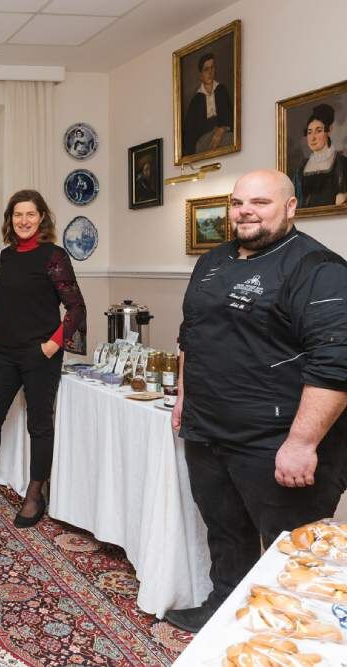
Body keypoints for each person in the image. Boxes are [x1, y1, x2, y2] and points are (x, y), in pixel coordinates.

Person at [165, 169, 347, 632]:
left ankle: (292, 635)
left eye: (260, 202)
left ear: (290, 207)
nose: (245, 211)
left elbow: (336, 363)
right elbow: (190, 336)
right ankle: (225, 611)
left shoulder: (319, 269)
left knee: (294, 549)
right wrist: (185, 397)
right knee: (225, 531)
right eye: (238, 202)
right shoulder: (212, 261)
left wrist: (302, 443)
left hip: (275, 440)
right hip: (208, 430)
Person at [0, 190, 87, 529]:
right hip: (5, 352)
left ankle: (35, 495)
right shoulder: (8, 255)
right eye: (17, 215)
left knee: (39, 425)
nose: (23, 220)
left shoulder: (53, 255)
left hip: (39, 354)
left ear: (42, 217)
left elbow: (76, 307)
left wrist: (52, 346)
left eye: (30, 214)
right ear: (10, 219)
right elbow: (12, 302)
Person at [292, 103, 347, 209]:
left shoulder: (342, 163)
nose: (313, 138)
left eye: (318, 131)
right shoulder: (302, 167)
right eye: (309, 132)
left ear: (329, 131)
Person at [182, 52, 233, 156]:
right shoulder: (196, 100)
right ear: (201, 75)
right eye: (206, 69)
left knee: (232, 139)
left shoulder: (221, 90)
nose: (210, 72)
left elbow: (230, 115)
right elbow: (190, 132)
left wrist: (221, 129)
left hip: (223, 132)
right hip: (203, 139)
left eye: (212, 68)